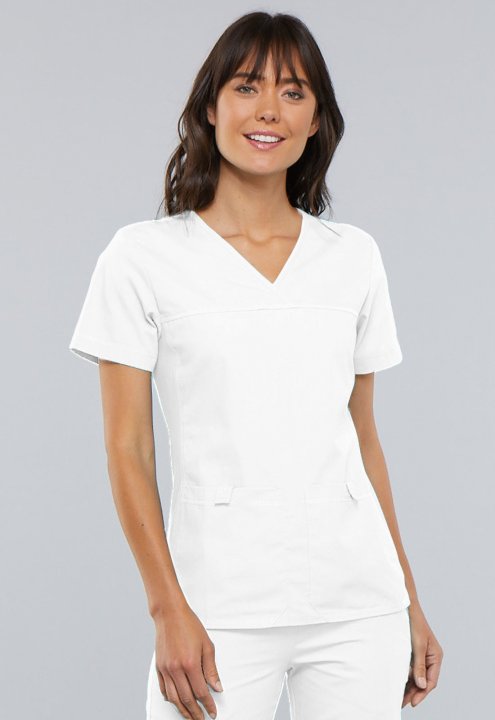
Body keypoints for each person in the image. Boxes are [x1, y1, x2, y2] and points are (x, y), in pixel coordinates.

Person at [68, 11, 443, 720]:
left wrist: (408, 601)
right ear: (210, 107)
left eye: (293, 92)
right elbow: (128, 448)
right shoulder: (142, 259)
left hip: (357, 603)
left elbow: (363, 440)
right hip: (215, 605)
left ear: (315, 121)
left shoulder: (353, 257)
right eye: (247, 86)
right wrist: (166, 609)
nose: (269, 109)